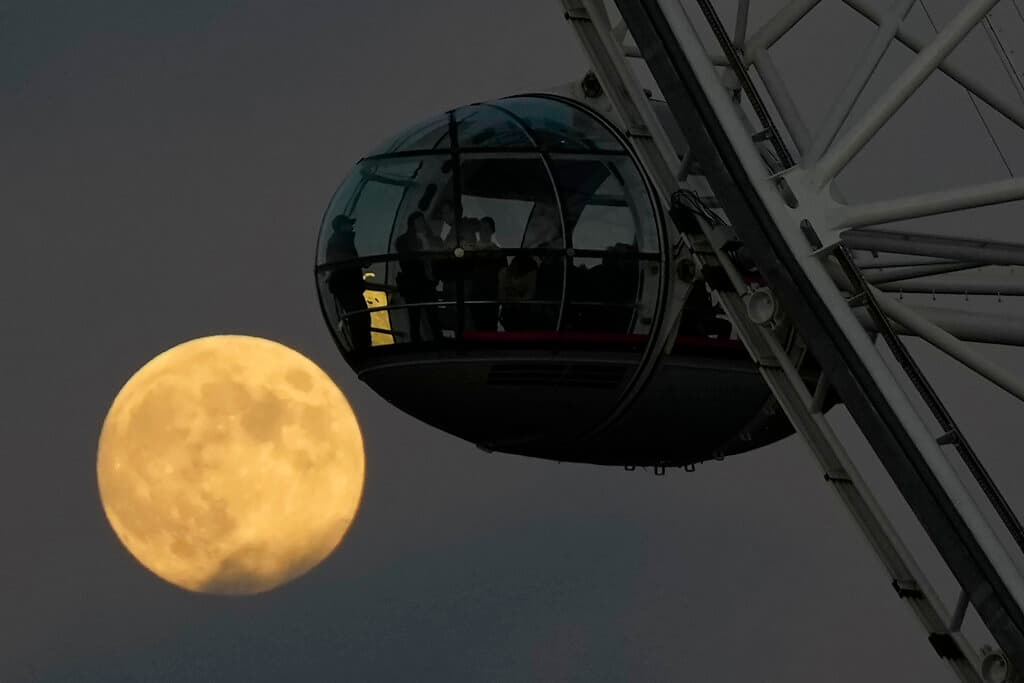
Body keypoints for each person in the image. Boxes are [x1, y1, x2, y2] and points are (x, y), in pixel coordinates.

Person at [325, 215, 371, 350]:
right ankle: (363, 346)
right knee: (359, 316)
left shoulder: (341, 240)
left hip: (347, 285)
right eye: (348, 224)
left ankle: (363, 346)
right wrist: (359, 262)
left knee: (359, 316)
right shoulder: (339, 241)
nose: (351, 226)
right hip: (347, 286)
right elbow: (338, 259)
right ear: (342, 226)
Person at [394, 212, 442, 342]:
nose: (422, 224)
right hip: (414, 283)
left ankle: (437, 338)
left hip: (428, 283)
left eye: (422, 221)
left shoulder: (431, 239)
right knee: (415, 316)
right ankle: (418, 340)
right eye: (419, 221)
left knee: (432, 314)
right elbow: (406, 262)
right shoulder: (404, 241)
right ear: (412, 224)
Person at [468, 217, 506, 331]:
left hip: (491, 296)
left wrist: (501, 296)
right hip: (475, 295)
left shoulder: (498, 253)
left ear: (492, 231)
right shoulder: (471, 251)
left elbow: (502, 275)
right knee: (476, 326)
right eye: (481, 228)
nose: (483, 231)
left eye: (486, 228)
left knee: (490, 327)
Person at [498, 254, 539, 331]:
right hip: (511, 312)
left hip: (523, 312)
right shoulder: (505, 273)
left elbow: (529, 296)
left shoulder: (531, 273)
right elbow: (502, 296)